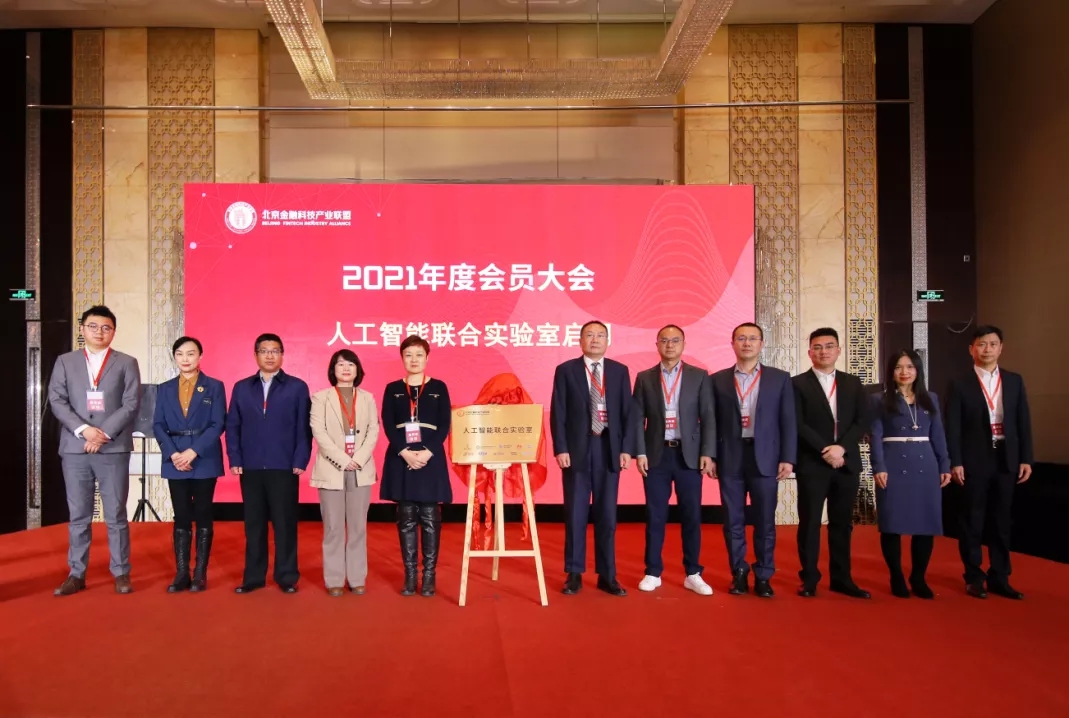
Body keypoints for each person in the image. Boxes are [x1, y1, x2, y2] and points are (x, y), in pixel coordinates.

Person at [47, 305, 141, 596]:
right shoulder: (65, 361)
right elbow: (57, 400)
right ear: (82, 329)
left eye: (106, 327)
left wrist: (103, 434)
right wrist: (83, 430)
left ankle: (121, 572)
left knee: (116, 514)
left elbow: (131, 403)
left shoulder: (127, 362)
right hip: (76, 449)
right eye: (93, 326)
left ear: (114, 331)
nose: (99, 332)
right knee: (79, 515)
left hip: (113, 448)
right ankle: (76, 574)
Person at [946, 325, 1033, 600]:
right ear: (971, 349)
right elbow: (953, 427)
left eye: (993, 344)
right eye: (981, 344)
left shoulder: (1014, 381)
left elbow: (1023, 422)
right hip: (974, 459)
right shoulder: (960, 383)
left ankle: (1000, 577)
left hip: (1006, 457)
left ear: (1001, 348)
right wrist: (955, 461)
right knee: (972, 520)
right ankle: (974, 577)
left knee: (1002, 520)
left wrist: (1026, 458)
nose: (987, 349)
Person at [710, 322, 796, 598]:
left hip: (766, 458)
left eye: (752, 338)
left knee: (765, 521)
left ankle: (763, 575)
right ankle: (738, 572)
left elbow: (788, 420)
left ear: (761, 344)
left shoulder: (779, 378)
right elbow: (711, 422)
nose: (746, 343)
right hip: (731, 457)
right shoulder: (718, 380)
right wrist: (710, 455)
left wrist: (788, 457)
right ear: (732, 343)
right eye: (741, 338)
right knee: (732, 521)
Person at [550, 320, 634, 597]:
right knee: (575, 513)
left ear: (608, 341)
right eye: (589, 335)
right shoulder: (566, 370)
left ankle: (607, 575)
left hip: (608, 448)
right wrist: (561, 448)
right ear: (580, 341)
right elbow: (558, 412)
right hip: (577, 450)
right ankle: (574, 574)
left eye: (600, 335)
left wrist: (626, 448)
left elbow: (628, 413)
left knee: (607, 515)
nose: (595, 339)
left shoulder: (619, 371)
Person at [632, 325, 716, 596]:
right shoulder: (644, 377)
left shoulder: (699, 376)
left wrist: (708, 452)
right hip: (656, 456)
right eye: (664, 340)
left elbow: (708, 416)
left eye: (675, 340)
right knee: (655, 515)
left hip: (688, 456)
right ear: (657, 344)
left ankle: (693, 573)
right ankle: (652, 571)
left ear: (683, 344)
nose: (670, 345)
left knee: (691, 515)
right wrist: (640, 452)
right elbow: (637, 418)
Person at [226, 333, 312, 594]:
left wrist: (300, 458)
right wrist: (235, 457)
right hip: (250, 466)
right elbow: (233, 426)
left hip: (284, 465)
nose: (270, 355)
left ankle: (286, 577)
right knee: (254, 525)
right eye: (264, 351)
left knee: (285, 524)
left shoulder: (297, 387)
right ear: (256, 355)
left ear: (282, 355)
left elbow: (304, 428)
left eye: (275, 351)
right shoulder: (242, 387)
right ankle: (253, 577)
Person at [793, 327, 871, 599]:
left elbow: (862, 421)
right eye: (817, 347)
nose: (823, 351)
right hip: (813, 463)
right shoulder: (797, 384)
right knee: (810, 523)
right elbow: (798, 423)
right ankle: (809, 578)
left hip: (846, 464)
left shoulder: (853, 383)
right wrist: (825, 450)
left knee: (842, 523)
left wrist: (841, 448)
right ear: (809, 352)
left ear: (838, 350)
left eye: (828, 346)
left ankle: (842, 578)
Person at [870, 349, 951, 599]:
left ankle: (918, 577)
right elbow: (875, 435)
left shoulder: (930, 398)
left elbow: (938, 434)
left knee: (925, 524)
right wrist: (878, 466)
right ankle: (896, 575)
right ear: (891, 372)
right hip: (893, 462)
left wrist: (945, 464)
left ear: (918, 370)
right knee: (892, 523)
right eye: (898, 367)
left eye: (910, 367)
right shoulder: (879, 399)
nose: (904, 372)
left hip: (925, 464)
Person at [379, 335, 452, 597]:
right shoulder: (392, 388)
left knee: (431, 518)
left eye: (419, 355)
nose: (414, 360)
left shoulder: (439, 387)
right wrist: (405, 452)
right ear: (402, 358)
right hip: (402, 456)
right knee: (406, 518)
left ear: (427, 358)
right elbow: (388, 423)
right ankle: (410, 575)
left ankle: (429, 576)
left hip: (431, 457)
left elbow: (444, 423)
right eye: (408, 355)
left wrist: (428, 451)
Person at [152, 336, 226, 593]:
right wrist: (174, 454)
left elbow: (218, 424)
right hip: (174, 458)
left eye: (191, 353)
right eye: (180, 354)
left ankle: (200, 573)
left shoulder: (214, 386)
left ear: (200, 356)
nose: (185, 359)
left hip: (204, 457)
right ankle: (182, 572)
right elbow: (158, 425)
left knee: (203, 513)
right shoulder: (164, 388)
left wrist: (193, 451)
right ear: (174, 357)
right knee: (181, 516)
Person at [309, 349, 380, 596]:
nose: (346, 368)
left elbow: (373, 431)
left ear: (358, 369)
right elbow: (319, 433)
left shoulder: (368, 398)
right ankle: (334, 579)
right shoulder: (320, 398)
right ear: (333, 370)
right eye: (340, 364)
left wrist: (357, 459)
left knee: (358, 527)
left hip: (361, 469)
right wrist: (342, 460)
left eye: (351, 364)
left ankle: (357, 577)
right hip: (331, 469)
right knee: (333, 527)